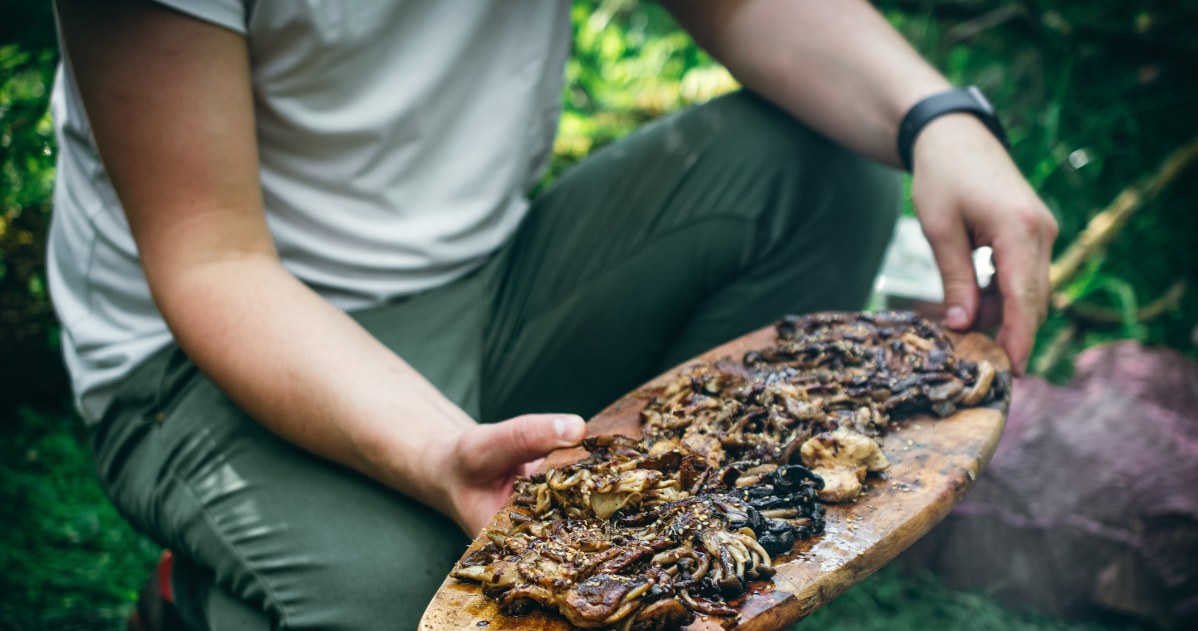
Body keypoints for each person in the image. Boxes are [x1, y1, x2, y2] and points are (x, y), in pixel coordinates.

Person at [49, 0, 1057, 628]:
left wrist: (938, 117)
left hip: (492, 275)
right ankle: (206, 597)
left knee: (819, 167)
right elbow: (213, 259)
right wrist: (440, 452)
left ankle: (670, 557)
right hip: (208, 349)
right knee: (451, 606)